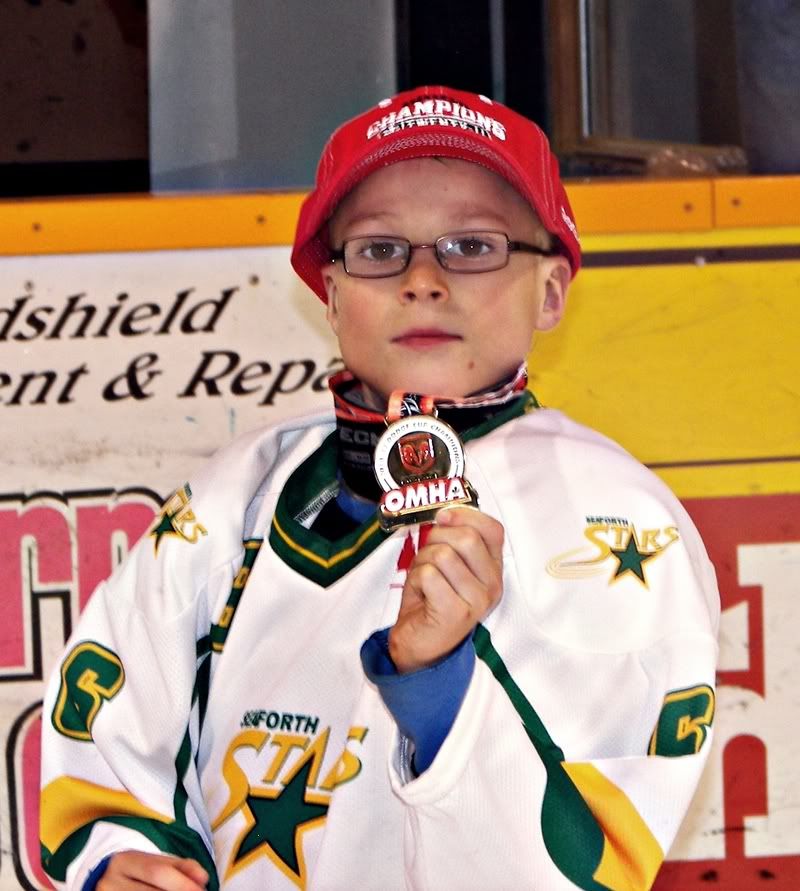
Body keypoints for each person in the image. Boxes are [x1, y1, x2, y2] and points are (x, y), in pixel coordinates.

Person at [40, 85, 719, 891]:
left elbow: (590, 864)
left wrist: (438, 682)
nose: (422, 280)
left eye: (472, 245)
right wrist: (116, 857)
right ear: (329, 294)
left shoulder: (619, 523)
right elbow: (111, 741)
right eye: (378, 249)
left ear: (551, 290)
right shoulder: (235, 494)